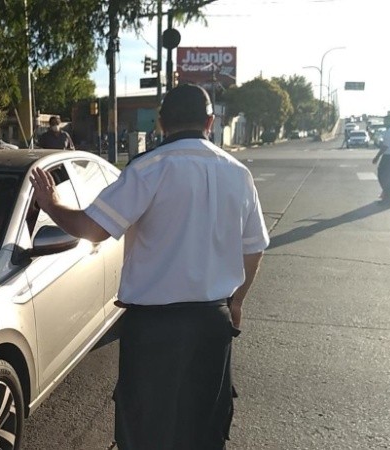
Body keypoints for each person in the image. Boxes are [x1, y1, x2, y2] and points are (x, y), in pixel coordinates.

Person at [29, 83, 269, 450]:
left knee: (146, 429)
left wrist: (51, 203)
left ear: (161, 123)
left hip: (155, 328)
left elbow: (91, 230)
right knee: (206, 425)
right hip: (212, 324)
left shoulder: (148, 169)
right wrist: (236, 302)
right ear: (209, 122)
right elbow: (254, 249)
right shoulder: (238, 174)